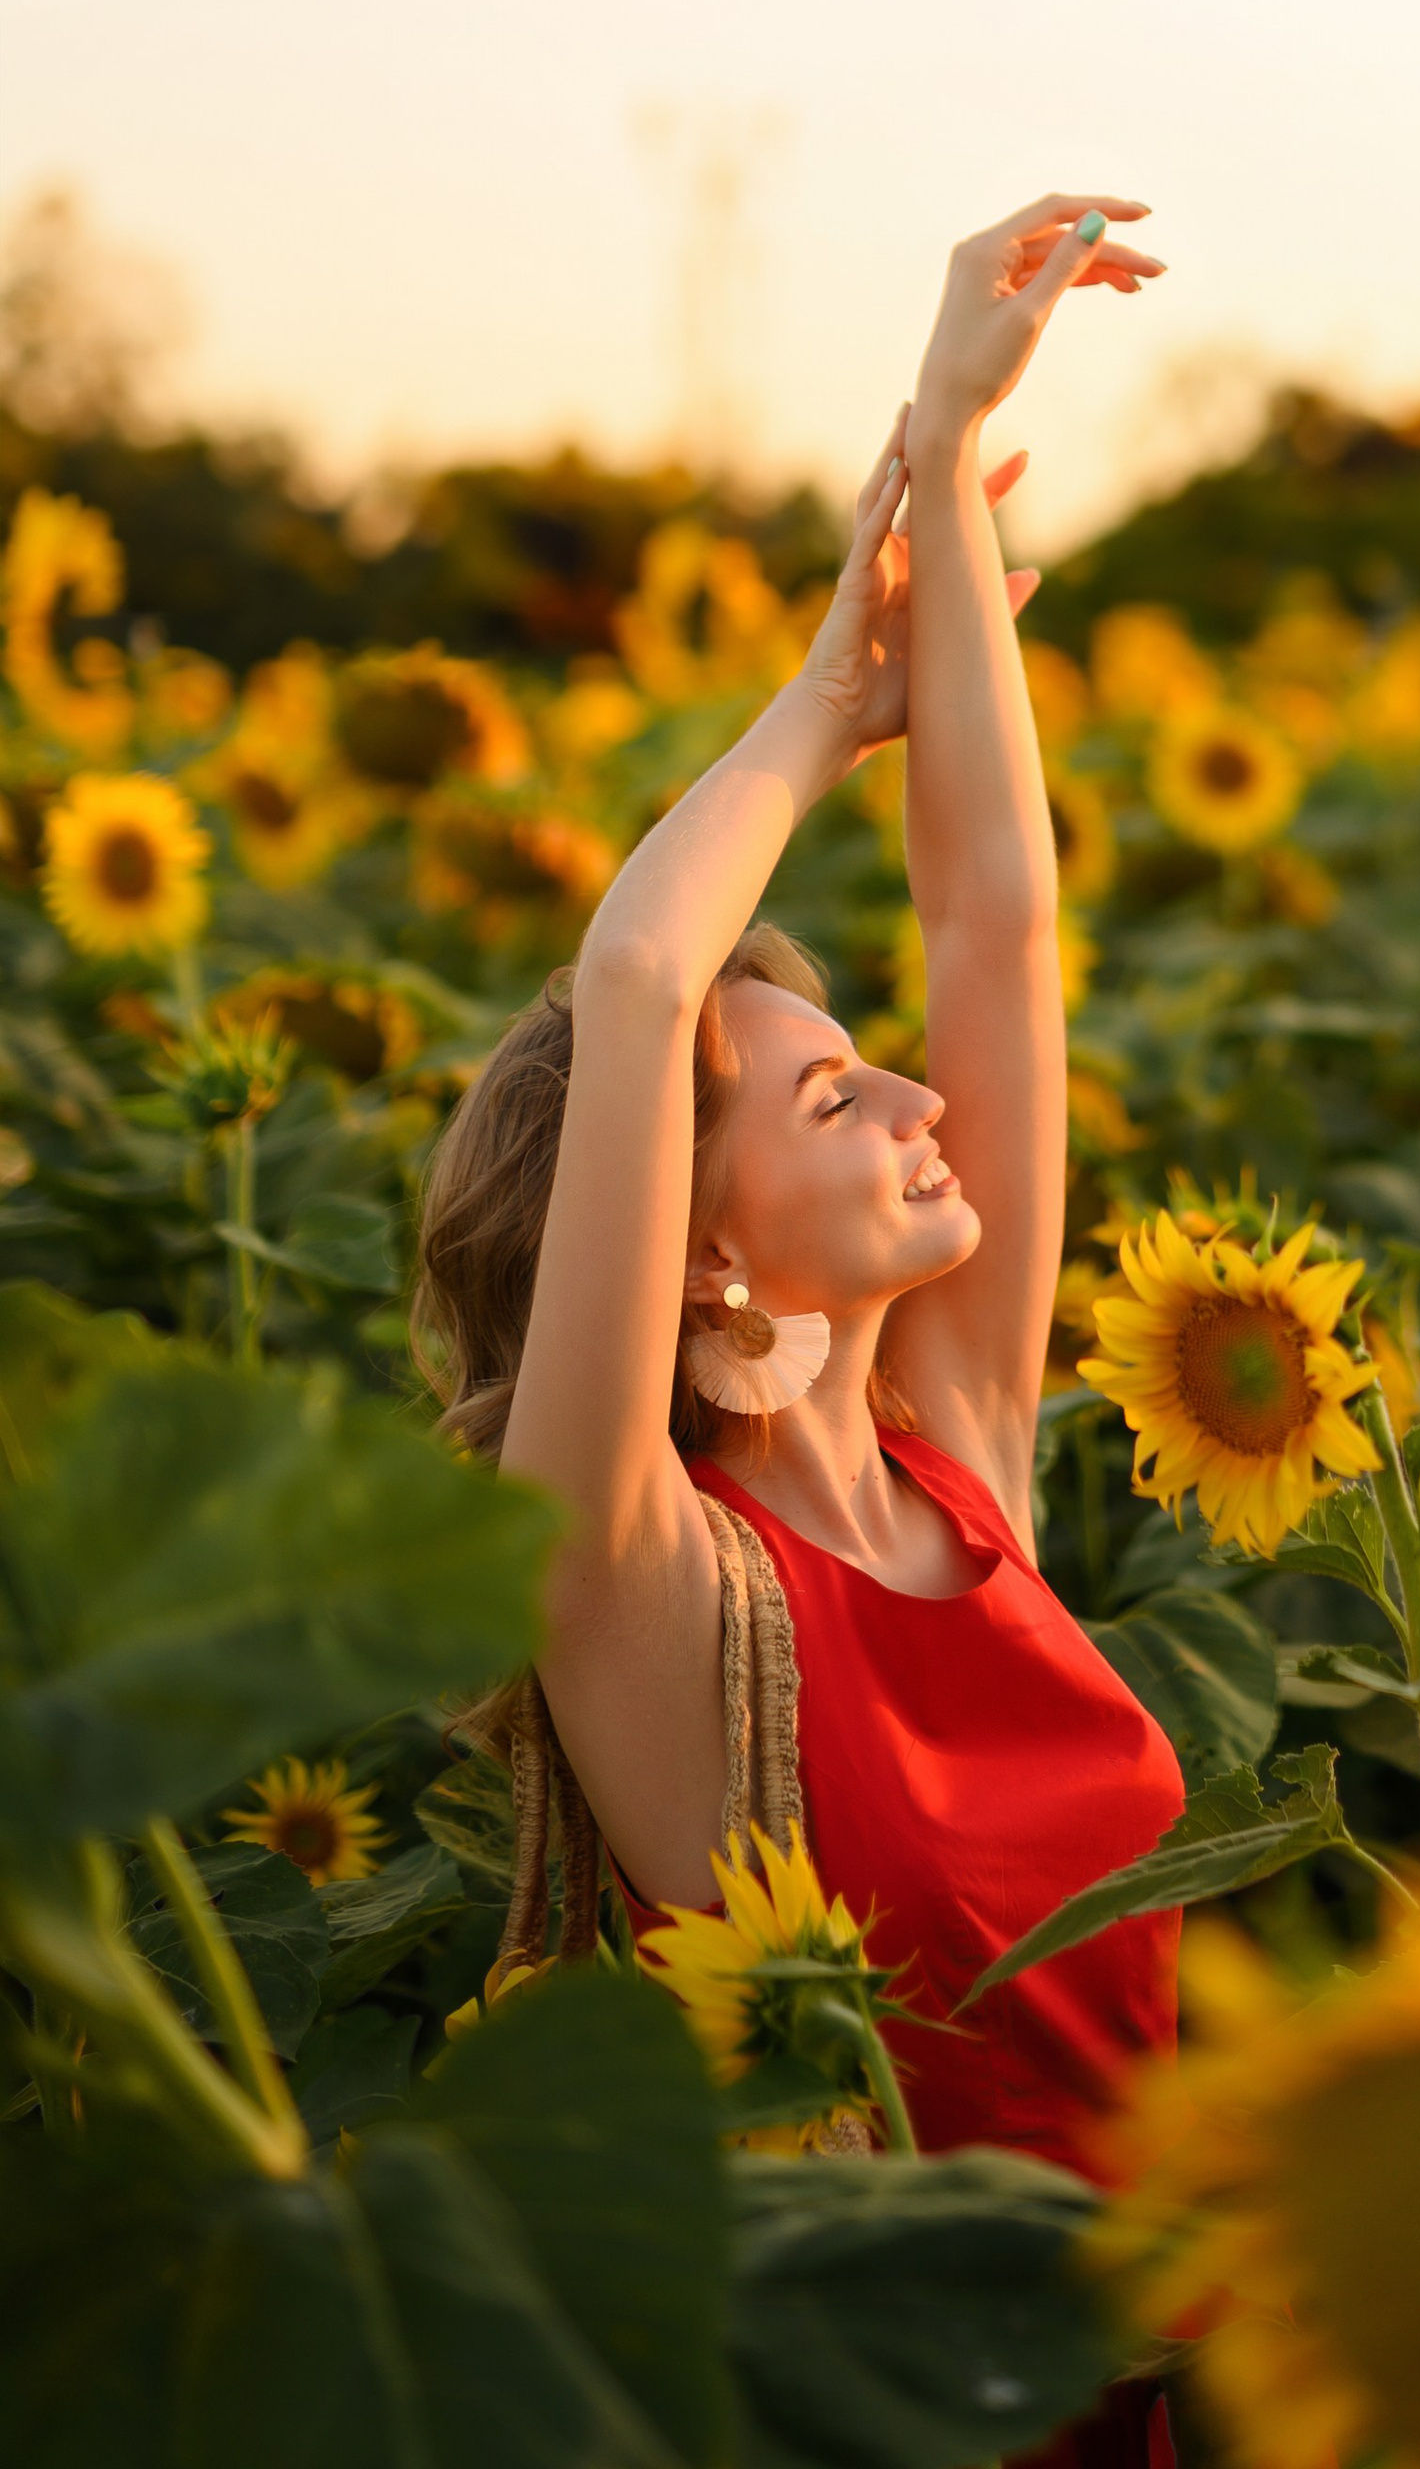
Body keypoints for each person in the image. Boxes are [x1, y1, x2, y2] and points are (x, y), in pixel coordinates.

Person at [411, 194, 1182, 2223]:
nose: (926, 1097)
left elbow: (993, 926)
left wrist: (942, 436)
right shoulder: (640, 1584)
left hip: (1161, 2371)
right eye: (835, 1094)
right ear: (695, 1243)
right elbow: (644, 980)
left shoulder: (961, 1467)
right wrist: (828, 695)